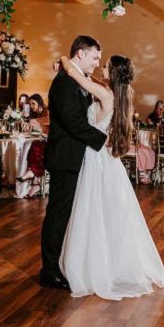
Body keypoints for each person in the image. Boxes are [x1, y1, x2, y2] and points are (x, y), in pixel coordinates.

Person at [58, 52, 164, 299]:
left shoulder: (105, 95)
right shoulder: (121, 94)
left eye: (105, 66)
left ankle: (95, 268)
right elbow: (94, 79)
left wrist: (65, 59)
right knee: (111, 212)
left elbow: (75, 73)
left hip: (95, 158)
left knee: (94, 210)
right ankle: (113, 263)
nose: (101, 68)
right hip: (108, 161)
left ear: (114, 73)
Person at [41, 36, 109, 291]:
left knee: (69, 215)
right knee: (57, 215)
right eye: (94, 57)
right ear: (80, 54)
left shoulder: (76, 80)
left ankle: (63, 264)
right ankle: (49, 271)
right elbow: (73, 122)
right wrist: (104, 140)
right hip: (64, 159)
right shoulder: (64, 84)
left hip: (76, 158)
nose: (96, 63)